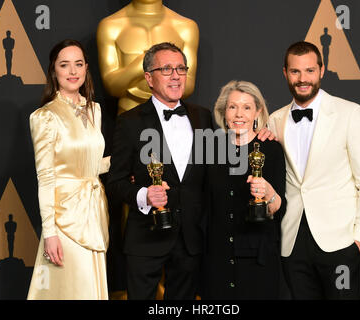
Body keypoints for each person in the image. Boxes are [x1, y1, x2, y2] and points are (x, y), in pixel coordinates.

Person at [268, 41, 360, 299]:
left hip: (340, 242)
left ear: (322, 70)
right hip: (293, 242)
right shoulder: (274, 120)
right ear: (285, 73)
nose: (302, 78)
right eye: (295, 71)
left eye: (309, 70)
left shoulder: (350, 113)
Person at [107, 42, 212, 300]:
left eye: (180, 68)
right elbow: (115, 182)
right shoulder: (129, 122)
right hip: (146, 236)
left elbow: (214, 172)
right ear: (149, 78)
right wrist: (144, 195)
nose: (176, 75)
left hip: (191, 238)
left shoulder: (203, 117)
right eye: (166, 69)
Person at [27, 39, 110, 300]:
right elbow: (46, 176)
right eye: (65, 65)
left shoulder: (94, 110)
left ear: (86, 68)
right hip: (64, 220)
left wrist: (124, 165)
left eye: (78, 64)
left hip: (94, 213)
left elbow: (91, 164)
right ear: (54, 71)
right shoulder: (45, 116)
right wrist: (49, 233)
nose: (73, 72)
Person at [201, 80, 286, 299]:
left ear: (258, 111)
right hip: (217, 259)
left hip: (257, 258)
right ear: (224, 111)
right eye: (233, 107)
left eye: (246, 107)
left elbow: (279, 207)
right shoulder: (210, 147)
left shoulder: (271, 148)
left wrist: (268, 192)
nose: (239, 114)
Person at [97, 0, 199, 114]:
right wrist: (145, 63)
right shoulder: (110, 26)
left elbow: (188, 85)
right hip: (129, 115)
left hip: (171, 115)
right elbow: (112, 87)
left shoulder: (185, 27)